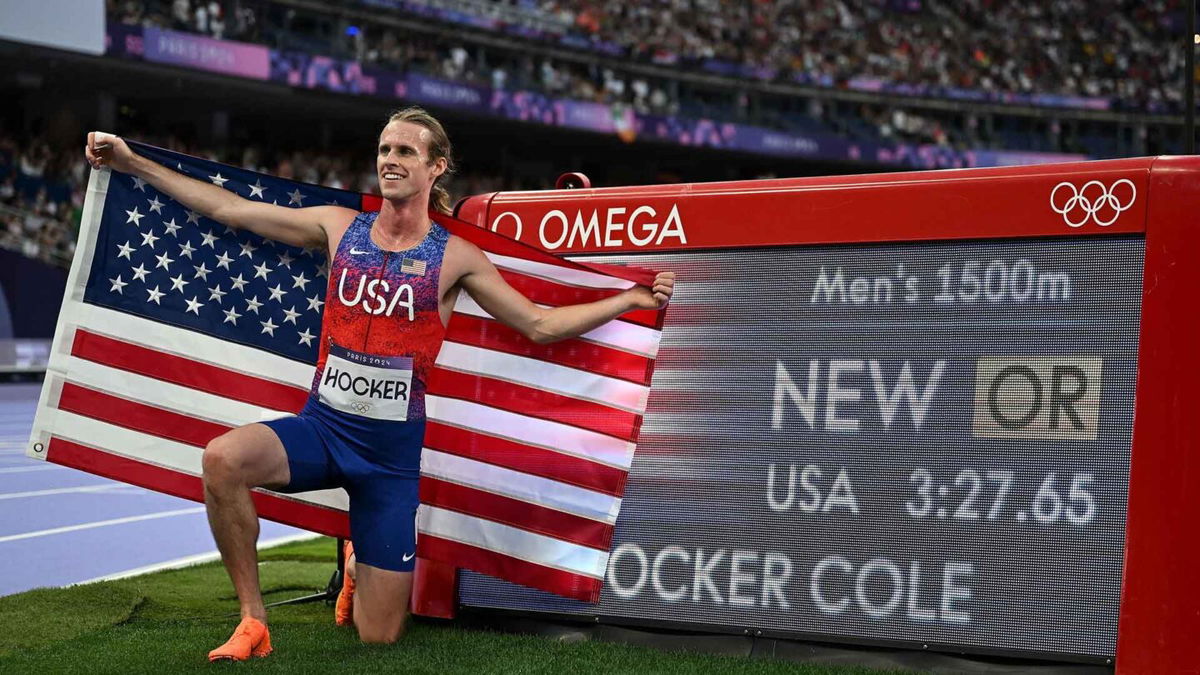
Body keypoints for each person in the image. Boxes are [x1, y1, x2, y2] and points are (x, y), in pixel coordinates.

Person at [84, 107, 675, 661]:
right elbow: (228, 210)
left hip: (389, 463)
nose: (390, 160)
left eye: (405, 152)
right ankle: (253, 620)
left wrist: (627, 298)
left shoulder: (456, 258)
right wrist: (131, 160)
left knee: (380, 638)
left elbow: (539, 325)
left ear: (435, 166)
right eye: (384, 149)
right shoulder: (340, 228)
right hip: (323, 429)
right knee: (221, 459)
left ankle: (357, 558)